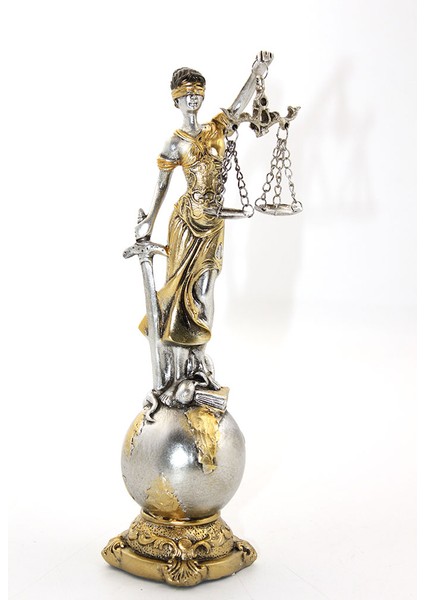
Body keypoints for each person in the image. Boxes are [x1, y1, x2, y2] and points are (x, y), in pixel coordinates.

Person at [135, 52, 273, 398]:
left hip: (212, 224)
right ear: (177, 101)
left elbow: (239, 104)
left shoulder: (216, 128)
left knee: (205, 289)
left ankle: (199, 353)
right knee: (180, 292)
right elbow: (162, 185)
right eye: (187, 94)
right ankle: (180, 363)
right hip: (185, 223)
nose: (193, 98)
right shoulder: (175, 142)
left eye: (198, 93)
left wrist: (256, 74)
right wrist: (148, 222)